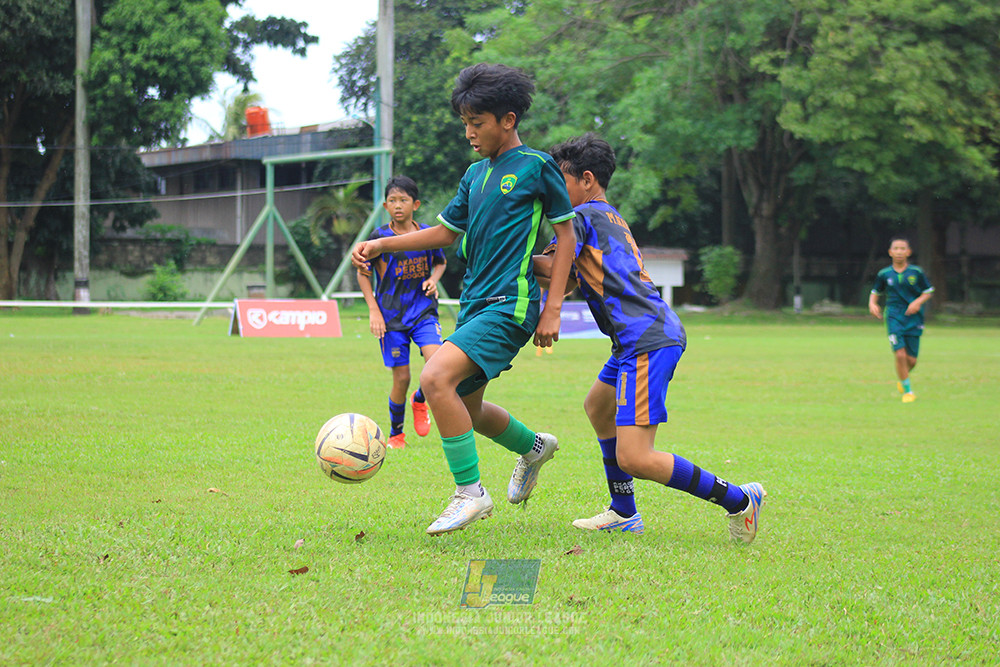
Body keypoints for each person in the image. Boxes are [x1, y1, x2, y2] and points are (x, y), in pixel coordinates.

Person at [352, 63, 578, 535]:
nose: (470, 133)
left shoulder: (536, 167)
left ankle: (469, 494)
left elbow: (566, 236)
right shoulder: (474, 175)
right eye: (465, 124)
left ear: (508, 120)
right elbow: (444, 233)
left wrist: (553, 308)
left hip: (511, 304)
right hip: (475, 305)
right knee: (467, 409)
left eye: (478, 123)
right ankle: (534, 447)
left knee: (435, 378)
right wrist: (381, 244)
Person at [534, 133, 765, 543]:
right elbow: (565, 280)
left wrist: (505, 253)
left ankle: (740, 500)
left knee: (636, 456)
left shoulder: (582, 218)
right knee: (598, 407)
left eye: (560, 181)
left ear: (586, 180)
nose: (554, 191)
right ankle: (624, 512)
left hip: (646, 339)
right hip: (637, 338)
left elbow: (553, 270)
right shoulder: (607, 217)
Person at [357, 176, 447, 449]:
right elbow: (362, 273)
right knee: (402, 378)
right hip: (391, 318)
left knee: (438, 366)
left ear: (415, 204)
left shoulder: (427, 234)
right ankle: (396, 434)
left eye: (403, 200)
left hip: (423, 312)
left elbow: (441, 262)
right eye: (392, 201)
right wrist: (373, 310)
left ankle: (420, 399)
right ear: (385, 206)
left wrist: (433, 279)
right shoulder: (378, 238)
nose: (398, 206)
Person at [868, 236, 934, 403]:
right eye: (896, 248)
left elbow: (928, 291)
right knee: (899, 354)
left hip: (913, 318)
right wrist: (872, 304)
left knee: (911, 360)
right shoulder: (884, 274)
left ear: (908, 252)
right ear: (890, 252)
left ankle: (902, 379)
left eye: (902, 248)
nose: (899, 252)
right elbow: (875, 292)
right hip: (894, 316)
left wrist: (917, 302)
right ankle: (908, 392)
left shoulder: (916, 272)